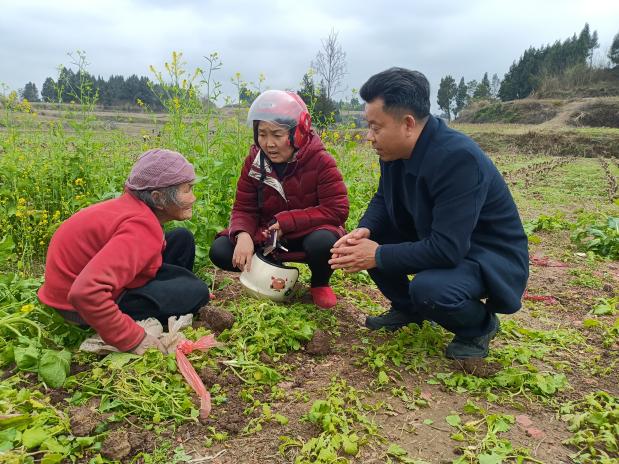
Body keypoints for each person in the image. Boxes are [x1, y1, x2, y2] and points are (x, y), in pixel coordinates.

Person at [330, 68, 528, 359]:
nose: (369, 137)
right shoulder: (394, 151)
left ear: (408, 124)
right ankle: (409, 310)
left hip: (485, 254)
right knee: (369, 243)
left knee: (429, 289)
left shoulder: (458, 159)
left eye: (375, 127)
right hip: (440, 236)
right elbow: (384, 197)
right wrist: (365, 229)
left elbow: (447, 249)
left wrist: (378, 255)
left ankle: (479, 326)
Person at [38, 148, 211, 354]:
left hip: (83, 282)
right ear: (158, 198)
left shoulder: (133, 210)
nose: (193, 197)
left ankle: (169, 291)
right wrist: (133, 339)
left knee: (182, 238)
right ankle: (163, 300)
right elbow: (85, 293)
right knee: (197, 292)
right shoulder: (140, 229)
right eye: (187, 190)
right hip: (79, 308)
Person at [209, 90, 349, 309]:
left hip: (307, 233)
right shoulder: (254, 162)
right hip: (269, 236)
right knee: (221, 250)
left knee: (323, 243)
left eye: (277, 134)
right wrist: (243, 235)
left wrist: (287, 222)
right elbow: (244, 208)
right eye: (262, 134)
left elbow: (336, 209)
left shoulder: (320, 161)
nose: (269, 143)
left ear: (298, 133)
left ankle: (320, 283)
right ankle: (270, 269)